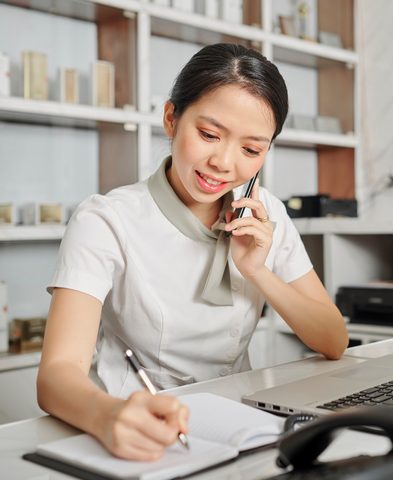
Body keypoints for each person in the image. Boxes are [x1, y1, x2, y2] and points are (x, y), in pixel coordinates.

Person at [36, 43, 348, 461]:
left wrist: (258, 271)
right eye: (208, 135)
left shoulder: (265, 215)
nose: (223, 162)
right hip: (140, 427)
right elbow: (56, 375)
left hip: (241, 427)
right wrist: (108, 416)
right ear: (171, 118)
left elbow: (333, 339)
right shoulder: (106, 219)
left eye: (251, 150)